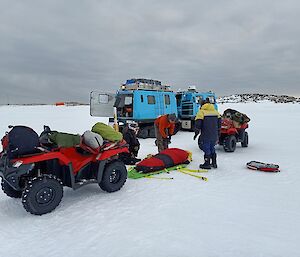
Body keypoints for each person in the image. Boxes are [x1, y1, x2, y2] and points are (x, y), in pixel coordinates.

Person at [193, 99, 221, 169]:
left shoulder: (201, 112)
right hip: (214, 134)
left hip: (206, 134)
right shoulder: (215, 112)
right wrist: (218, 134)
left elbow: (198, 125)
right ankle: (214, 163)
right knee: (212, 147)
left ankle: (207, 163)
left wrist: (196, 133)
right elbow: (219, 124)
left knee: (206, 148)